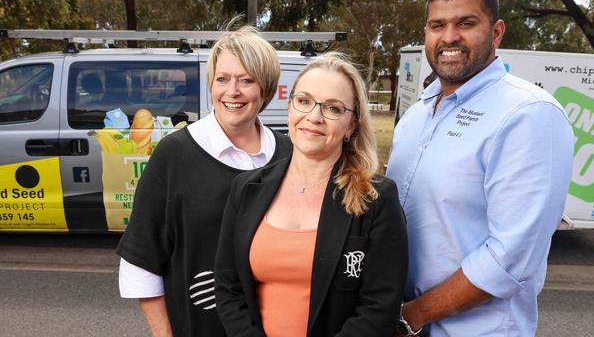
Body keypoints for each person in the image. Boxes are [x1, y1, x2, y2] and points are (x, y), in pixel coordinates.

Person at [386, 0, 574, 336]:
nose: (449, 37)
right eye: (437, 25)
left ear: (497, 31)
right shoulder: (417, 114)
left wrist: (411, 315)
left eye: (466, 23)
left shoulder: (527, 114)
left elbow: (510, 259)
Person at [214, 52, 408, 337]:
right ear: (290, 108)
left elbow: (380, 307)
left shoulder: (376, 198)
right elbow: (228, 288)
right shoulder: (246, 190)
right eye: (304, 101)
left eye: (333, 108)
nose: (313, 117)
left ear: (351, 124)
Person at [116, 26, 293, 336]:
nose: (232, 91)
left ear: (266, 88)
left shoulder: (289, 155)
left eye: (246, 80)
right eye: (222, 79)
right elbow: (141, 260)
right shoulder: (175, 154)